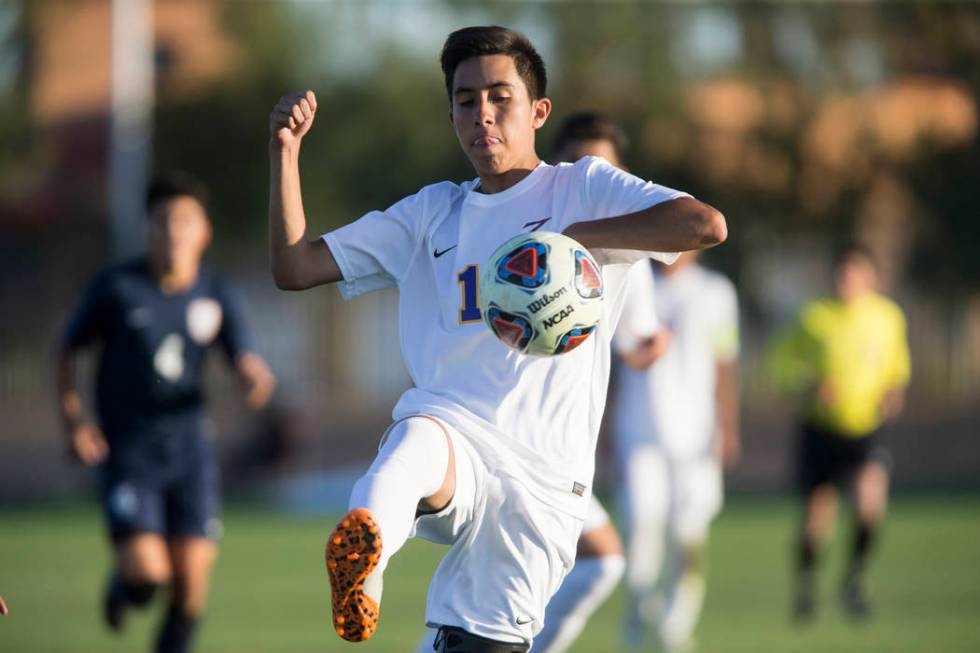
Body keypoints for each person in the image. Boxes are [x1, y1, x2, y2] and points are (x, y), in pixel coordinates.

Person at [268, 25, 727, 651]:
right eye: (465, 100)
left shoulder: (583, 186)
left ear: (538, 111)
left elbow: (705, 224)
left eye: (499, 97)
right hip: (457, 438)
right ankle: (363, 568)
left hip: (545, 480)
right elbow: (295, 268)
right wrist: (286, 153)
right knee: (417, 434)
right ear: (452, 115)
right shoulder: (432, 212)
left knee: (474, 645)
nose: (482, 113)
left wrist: (581, 239)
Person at [55, 173, 276, 653]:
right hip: (129, 448)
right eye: (162, 221)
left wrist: (254, 378)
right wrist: (75, 420)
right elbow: (68, 351)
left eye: (184, 220)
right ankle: (125, 584)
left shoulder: (216, 293)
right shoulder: (116, 288)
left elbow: (243, 356)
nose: (173, 231)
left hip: (191, 450)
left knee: (191, 590)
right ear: (148, 229)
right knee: (148, 574)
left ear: (204, 231)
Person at [770, 245, 910, 622]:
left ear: (871, 278)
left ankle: (855, 578)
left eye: (855, 275)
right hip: (821, 428)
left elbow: (897, 367)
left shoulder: (888, 317)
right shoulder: (814, 317)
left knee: (870, 502)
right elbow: (782, 368)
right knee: (817, 520)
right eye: (842, 275)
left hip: (867, 428)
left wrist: (893, 393)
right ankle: (807, 581)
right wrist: (809, 386)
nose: (847, 282)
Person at [612, 250, 740, 652]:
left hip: (696, 435)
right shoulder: (633, 280)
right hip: (638, 429)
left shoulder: (716, 293)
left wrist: (727, 425)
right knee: (641, 523)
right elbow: (616, 360)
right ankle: (638, 608)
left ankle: (677, 625)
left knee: (689, 532)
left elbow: (725, 360)